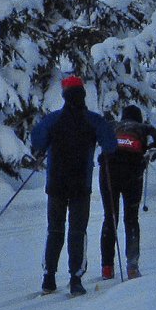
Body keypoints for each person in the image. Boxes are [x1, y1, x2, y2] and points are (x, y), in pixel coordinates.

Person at [29, 75, 115, 296]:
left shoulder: (53, 120)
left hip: (56, 184)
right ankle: (75, 279)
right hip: (80, 185)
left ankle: (48, 279)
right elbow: (110, 145)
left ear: (64, 96)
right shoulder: (93, 120)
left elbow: (37, 141)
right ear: (83, 95)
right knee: (78, 231)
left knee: (54, 230)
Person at [98, 103, 156, 279]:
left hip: (108, 172)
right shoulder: (143, 128)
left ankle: (107, 267)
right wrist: (151, 152)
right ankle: (132, 266)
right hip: (133, 173)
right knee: (131, 218)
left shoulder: (114, 126)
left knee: (110, 217)